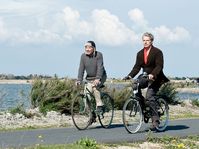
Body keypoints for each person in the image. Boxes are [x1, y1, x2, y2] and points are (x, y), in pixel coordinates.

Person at [124, 32, 169, 128]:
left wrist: (153, 74)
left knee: (149, 95)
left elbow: (159, 66)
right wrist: (129, 76)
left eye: (147, 40)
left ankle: (155, 120)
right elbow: (136, 67)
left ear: (151, 41)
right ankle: (143, 107)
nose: (145, 42)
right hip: (145, 76)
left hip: (156, 77)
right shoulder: (140, 53)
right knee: (135, 85)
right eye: (144, 40)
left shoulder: (157, 52)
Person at [76, 40, 107, 123]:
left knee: (95, 86)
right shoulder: (83, 57)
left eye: (89, 47)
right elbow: (81, 69)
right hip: (89, 78)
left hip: (101, 76)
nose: (87, 49)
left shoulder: (99, 55)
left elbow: (100, 67)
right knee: (86, 95)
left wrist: (98, 78)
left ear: (94, 48)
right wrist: (79, 79)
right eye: (86, 47)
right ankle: (92, 114)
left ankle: (100, 105)